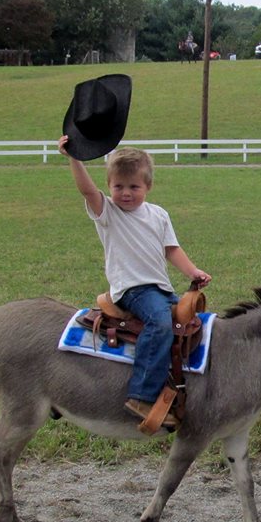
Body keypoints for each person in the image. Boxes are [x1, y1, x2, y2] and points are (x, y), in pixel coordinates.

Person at [58, 75, 211, 432]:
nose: (125, 193)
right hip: (132, 289)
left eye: (134, 187)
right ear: (109, 187)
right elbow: (86, 190)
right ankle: (142, 394)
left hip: (157, 287)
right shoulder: (107, 211)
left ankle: (186, 391)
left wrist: (194, 272)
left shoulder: (157, 214)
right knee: (159, 323)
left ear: (148, 186)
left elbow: (171, 249)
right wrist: (74, 158)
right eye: (118, 186)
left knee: (191, 322)